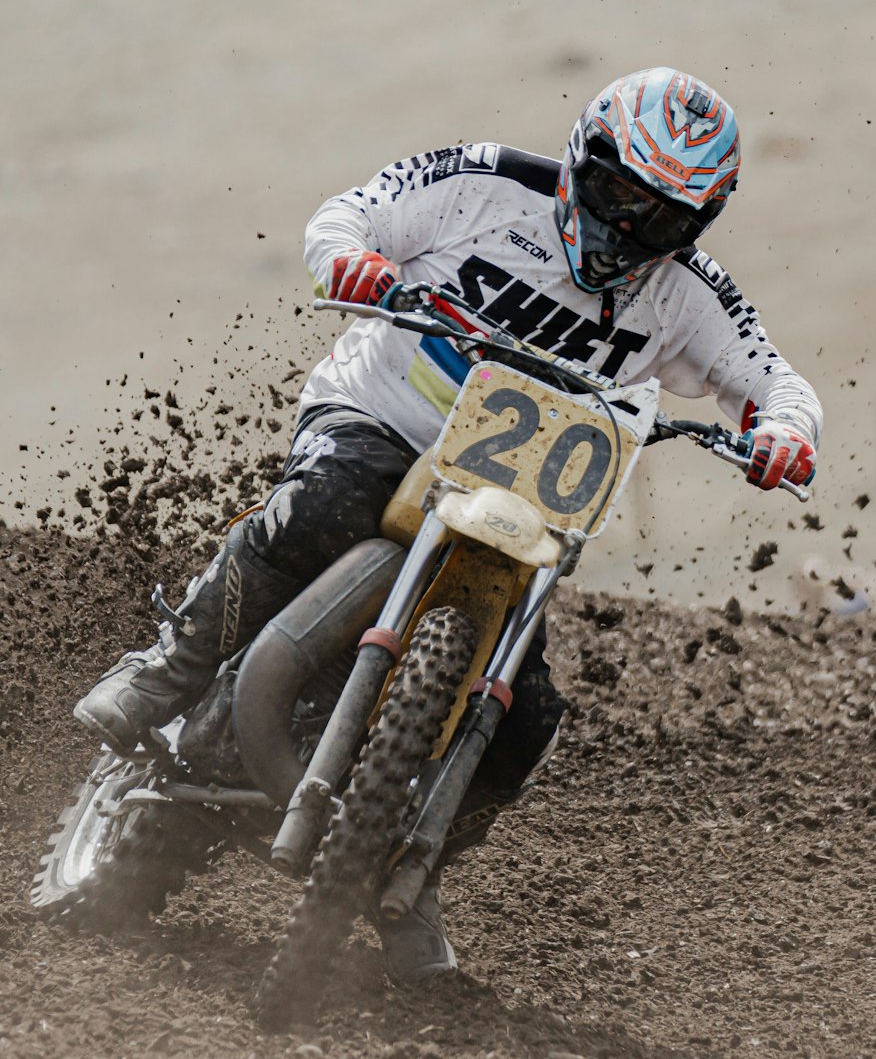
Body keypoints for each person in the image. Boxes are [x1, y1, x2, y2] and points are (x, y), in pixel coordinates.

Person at [75, 67, 823, 982]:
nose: (630, 227)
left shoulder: (684, 293)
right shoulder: (485, 184)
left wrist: (784, 432)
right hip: (382, 421)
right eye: (620, 192)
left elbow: (775, 379)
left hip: (519, 509)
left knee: (527, 722)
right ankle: (172, 665)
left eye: (662, 217)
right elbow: (354, 211)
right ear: (584, 157)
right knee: (326, 502)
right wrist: (352, 260)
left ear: (697, 224)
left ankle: (407, 869)